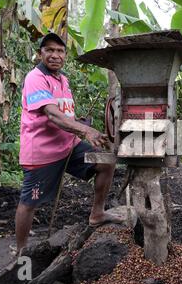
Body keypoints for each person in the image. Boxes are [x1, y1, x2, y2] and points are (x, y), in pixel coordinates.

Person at [15, 32, 122, 253]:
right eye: (49, 50)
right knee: (30, 201)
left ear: (65, 55)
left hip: (69, 147)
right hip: (42, 154)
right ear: (40, 54)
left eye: (60, 51)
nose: (55, 55)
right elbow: (52, 115)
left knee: (106, 161)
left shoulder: (62, 79)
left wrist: (80, 122)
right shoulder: (35, 78)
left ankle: (97, 213)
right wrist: (85, 130)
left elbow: (64, 113)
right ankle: (21, 250)